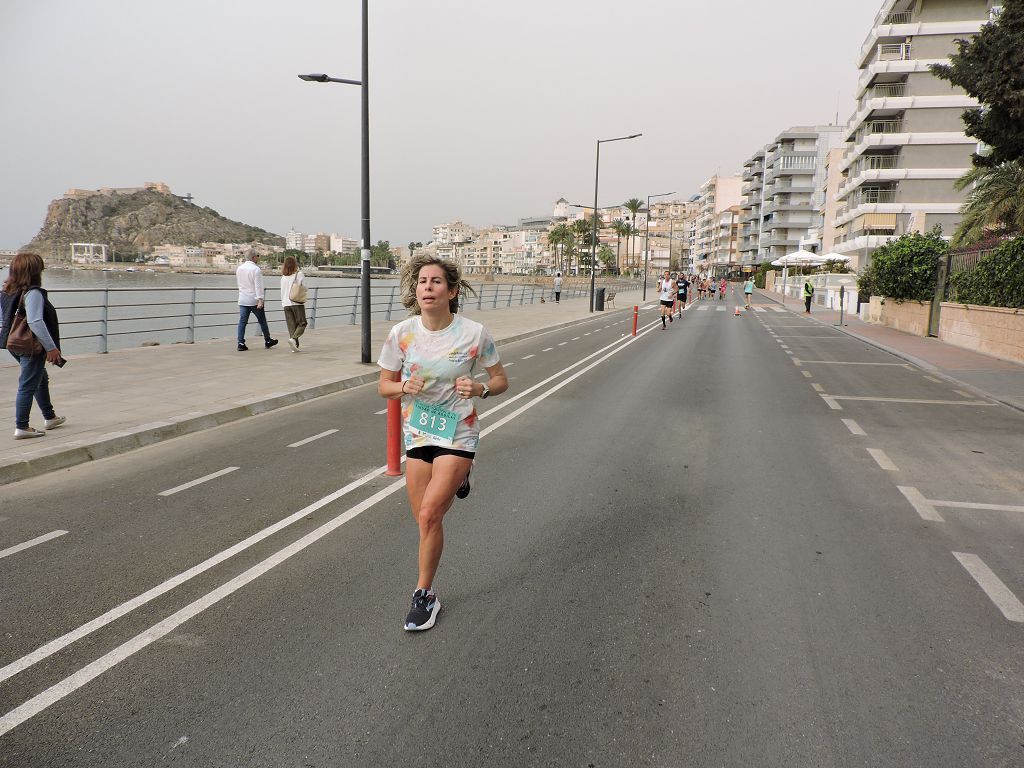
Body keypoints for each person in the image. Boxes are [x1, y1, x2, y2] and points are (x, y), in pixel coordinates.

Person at [378, 254, 509, 631]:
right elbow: (383, 386)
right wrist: (403, 385)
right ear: (415, 290)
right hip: (419, 431)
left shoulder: (473, 333)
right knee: (423, 519)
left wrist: (481, 388)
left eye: (435, 282)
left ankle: (424, 595)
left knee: (431, 512)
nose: (427, 287)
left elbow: (501, 380)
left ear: (451, 291)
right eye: (422, 281)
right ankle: (460, 478)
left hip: (458, 430)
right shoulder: (401, 334)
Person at [0, 253, 67, 439]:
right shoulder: (33, 293)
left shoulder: (7, 290)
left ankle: (50, 417)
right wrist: (51, 348)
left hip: (13, 343)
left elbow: (4, 319)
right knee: (27, 385)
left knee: (39, 377)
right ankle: (22, 427)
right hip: (30, 346)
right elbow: (36, 322)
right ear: (35, 271)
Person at [236, 251, 278, 351]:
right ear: (253, 257)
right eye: (257, 256)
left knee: (242, 322)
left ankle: (240, 343)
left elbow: (240, 284)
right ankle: (268, 340)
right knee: (262, 320)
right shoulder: (256, 269)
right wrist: (260, 299)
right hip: (254, 300)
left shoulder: (239, 268)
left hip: (242, 299)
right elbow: (258, 286)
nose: (258, 258)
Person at [280, 255, 307, 352]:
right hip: (296, 303)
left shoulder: (283, 277)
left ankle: (294, 346)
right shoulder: (299, 274)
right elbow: (304, 287)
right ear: (295, 264)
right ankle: (293, 339)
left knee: (292, 326)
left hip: (285, 303)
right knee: (302, 323)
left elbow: (282, 291)